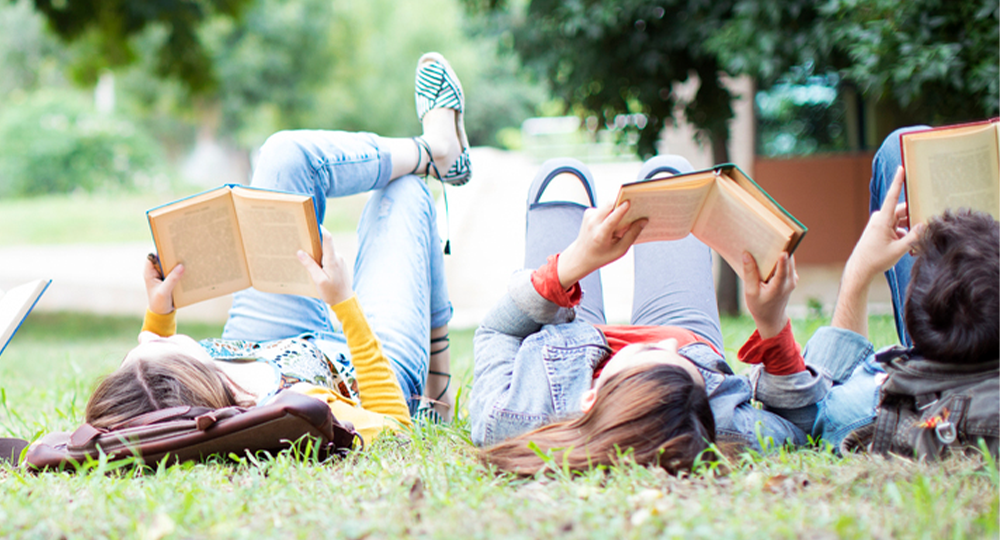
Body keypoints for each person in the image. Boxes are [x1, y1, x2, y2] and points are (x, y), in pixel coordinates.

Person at [85, 52, 470, 444]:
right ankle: (435, 389)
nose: (148, 336)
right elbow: (394, 432)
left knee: (284, 154)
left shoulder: (183, 386)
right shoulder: (295, 405)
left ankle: (436, 152)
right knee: (405, 193)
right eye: (156, 344)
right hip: (359, 369)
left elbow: (152, 393)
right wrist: (343, 303)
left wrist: (159, 316)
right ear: (196, 372)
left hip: (257, 342)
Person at [470, 156, 820, 476]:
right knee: (670, 173)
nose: (666, 344)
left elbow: (496, 332)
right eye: (690, 373)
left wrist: (574, 262)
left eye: (653, 354)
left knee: (559, 176)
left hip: (564, 330)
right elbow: (801, 427)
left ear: (590, 398)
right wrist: (772, 322)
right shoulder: (721, 425)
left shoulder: (509, 419)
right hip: (689, 329)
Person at [743, 127, 1000, 451]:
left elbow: (811, 416)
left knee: (902, 144)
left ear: (912, 309)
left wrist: (858, 273)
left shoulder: (866, 407)